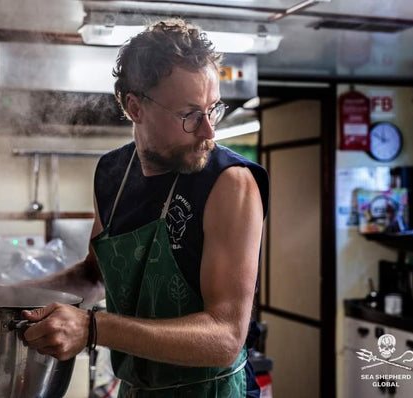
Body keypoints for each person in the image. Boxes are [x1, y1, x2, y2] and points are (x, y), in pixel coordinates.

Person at [21, 18, 269, 397]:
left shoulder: (230, 183)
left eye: (213, 109)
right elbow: (93, 278)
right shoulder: (111, 174)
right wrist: (0, 296)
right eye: (189, 115)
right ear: (135, 107)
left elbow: (225, 336)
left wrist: (93, 328)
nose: (209, 131)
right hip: (137, 390)